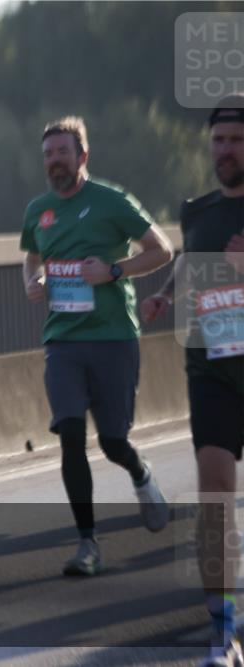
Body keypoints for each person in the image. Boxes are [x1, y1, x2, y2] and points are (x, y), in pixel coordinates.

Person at [19, 116, 174, 576]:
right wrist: (34, 280)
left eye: (62, 152)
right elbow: (31, 257)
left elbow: (162, 250)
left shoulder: (111, 201)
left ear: (82, 156)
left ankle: (140, 472)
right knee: (70, 434)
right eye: (48, 154)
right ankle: (87, 543)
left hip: (113, 336)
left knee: (112, 440)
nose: (54, 161)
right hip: (63, 340)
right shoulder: (39, 210)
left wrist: (115, 271)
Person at [141, 93, 244, 667]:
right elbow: (187, 257)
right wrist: (165, 294)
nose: (223, 152)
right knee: (214, 497)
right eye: (217, 142)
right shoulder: (200, 211)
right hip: (212, 368)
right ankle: (222, 633)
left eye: (234, 141)